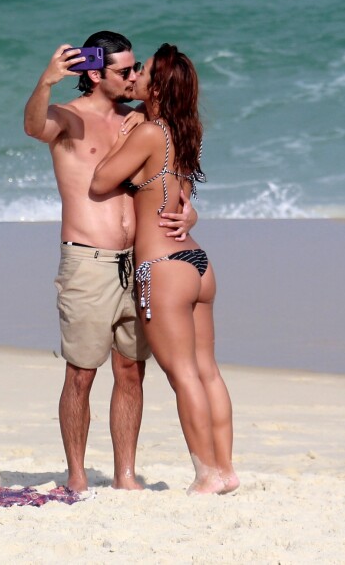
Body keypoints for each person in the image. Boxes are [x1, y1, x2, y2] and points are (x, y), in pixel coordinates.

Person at [23, 32, 197, 492]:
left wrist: (189, 209)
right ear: (95, 75)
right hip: (87, 261)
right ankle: (77, 476)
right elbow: (33, 127)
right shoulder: (68, 119)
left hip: (137, 262)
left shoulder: (137, 121)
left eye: (135, 68)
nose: (133, 77)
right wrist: (46, 83)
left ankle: (125, 475)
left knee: (131, 370)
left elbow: (174, 165)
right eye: (124, 71)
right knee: (81, 373)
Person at [91, 44, 239, 495]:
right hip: (196, 262)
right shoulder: (181, 131)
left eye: (144, 70)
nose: (134, 74)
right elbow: (183, 197)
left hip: (162, 267)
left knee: (183, 374)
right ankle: (226, 468)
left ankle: (207, 473)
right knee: (208, 370)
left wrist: (123, 135)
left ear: (157, 86)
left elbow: (100, 180)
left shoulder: (150, 133)